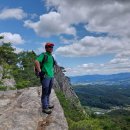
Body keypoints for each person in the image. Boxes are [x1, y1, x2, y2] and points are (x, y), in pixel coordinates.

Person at [35, 42, 55, 114]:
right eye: (49, 47)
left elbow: (51, 66)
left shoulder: (51, 57)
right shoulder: (44, 55)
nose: (51, 48)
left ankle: (47, 104)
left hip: (51, 76)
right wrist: (40, 71)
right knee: (45, 92)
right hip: (45, 76)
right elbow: (36, 61)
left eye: (52, 47)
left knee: (48, 91)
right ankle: (45, 108)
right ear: (46, 48)